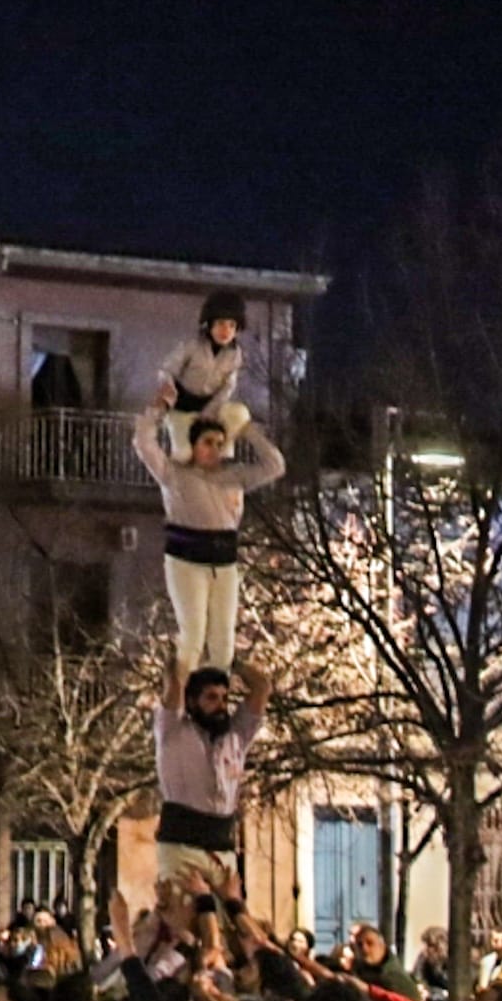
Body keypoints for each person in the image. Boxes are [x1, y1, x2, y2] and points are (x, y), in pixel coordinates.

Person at [133, 383, 285, 673]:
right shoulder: (175, 475)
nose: (214, 449)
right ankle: (178, 702)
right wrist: (158, 409)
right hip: (187, 559)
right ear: (192, 445)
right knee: (192, 636)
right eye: (207, 442)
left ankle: (217, 700)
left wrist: (246, 428)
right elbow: (143, 443)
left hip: (224, 561)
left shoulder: (234, 475)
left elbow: (275, 466)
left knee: (223, 641)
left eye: (219, 443)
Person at [152, 659, 271, 880]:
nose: (221, 705)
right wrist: (188, 654)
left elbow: (262, 687)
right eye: (211, 698)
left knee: (229, 913)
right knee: (184, 910)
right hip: (181, 846)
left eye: (224, 698)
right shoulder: (173, 731)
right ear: (192, 702)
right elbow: (173, 683)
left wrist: (228, 657)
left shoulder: (236, 736)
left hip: (221, 847)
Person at [156, 291, 250, 462]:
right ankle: (180, 479)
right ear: (209, 324)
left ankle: (224, 456)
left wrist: (211, 410)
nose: (225, 331)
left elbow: (228, 386)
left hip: (209, 405)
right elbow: (167, 370)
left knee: (240, 413)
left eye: (231, 326)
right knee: (184, 455)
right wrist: (168, 391)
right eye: (221, 323)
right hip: (181, 406)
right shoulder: (192, 345)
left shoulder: (234, 355)